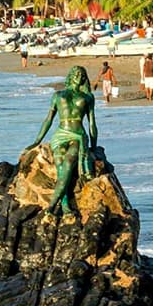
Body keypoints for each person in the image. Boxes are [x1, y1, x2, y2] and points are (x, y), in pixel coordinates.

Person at [24, 66, 99, 216]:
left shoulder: (88, 97)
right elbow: (48, 119)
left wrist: (93, 146)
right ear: (70, 76)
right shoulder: (58, 95)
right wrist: (37, 140)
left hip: (77, 136)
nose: (78, 75)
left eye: (81, 74)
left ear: (84, 78)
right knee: (60, 167)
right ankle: (64, 205)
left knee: (69, 162)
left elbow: (92, 122)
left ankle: (51, 207)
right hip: (60, 135)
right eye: (76, 73)